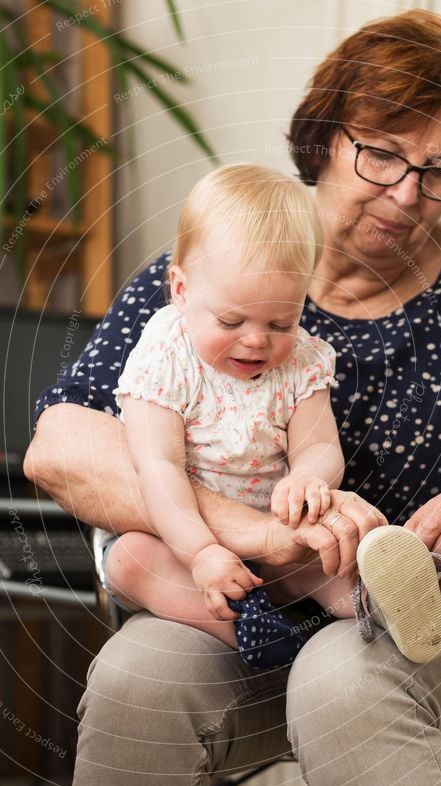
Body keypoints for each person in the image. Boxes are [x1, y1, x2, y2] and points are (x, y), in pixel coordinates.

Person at [25, 9, 441, 786]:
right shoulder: (220, 262)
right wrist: (259, 532)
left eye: (440, 170)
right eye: (381, 154)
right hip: (251, 592)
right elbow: (60, 444)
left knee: (344, 677)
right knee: (136, 678)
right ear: (325, 136)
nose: (407, 194)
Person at [105, 163, 349, 670]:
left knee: (329, 553)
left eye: (281, 321)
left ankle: (374, 608)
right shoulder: (165, 357)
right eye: (231, 321)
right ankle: (251, 628)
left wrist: (308, 478)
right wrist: (200, 553)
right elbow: (158, 467)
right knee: (130, 560)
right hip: (177, 535)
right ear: (180, 290)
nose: (257, 339)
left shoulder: (301, 361)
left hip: (271, 533)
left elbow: (320, 445)